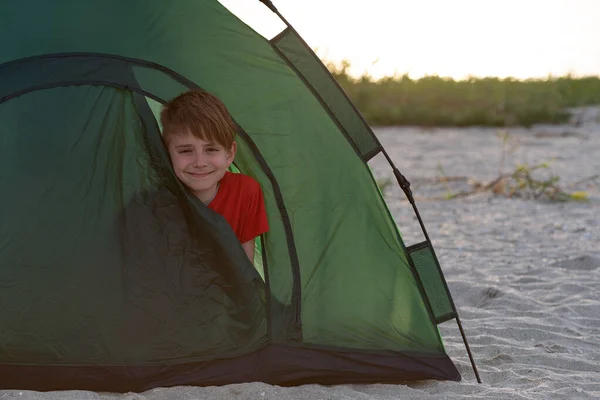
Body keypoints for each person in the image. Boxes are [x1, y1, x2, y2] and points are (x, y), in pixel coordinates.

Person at [159, 90, 269, 263]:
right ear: (167, 154)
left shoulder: (246, 192)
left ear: (230, 154)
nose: (200, 162)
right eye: (186, 151)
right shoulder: (157, 203)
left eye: (211, 149)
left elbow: (245, 266)